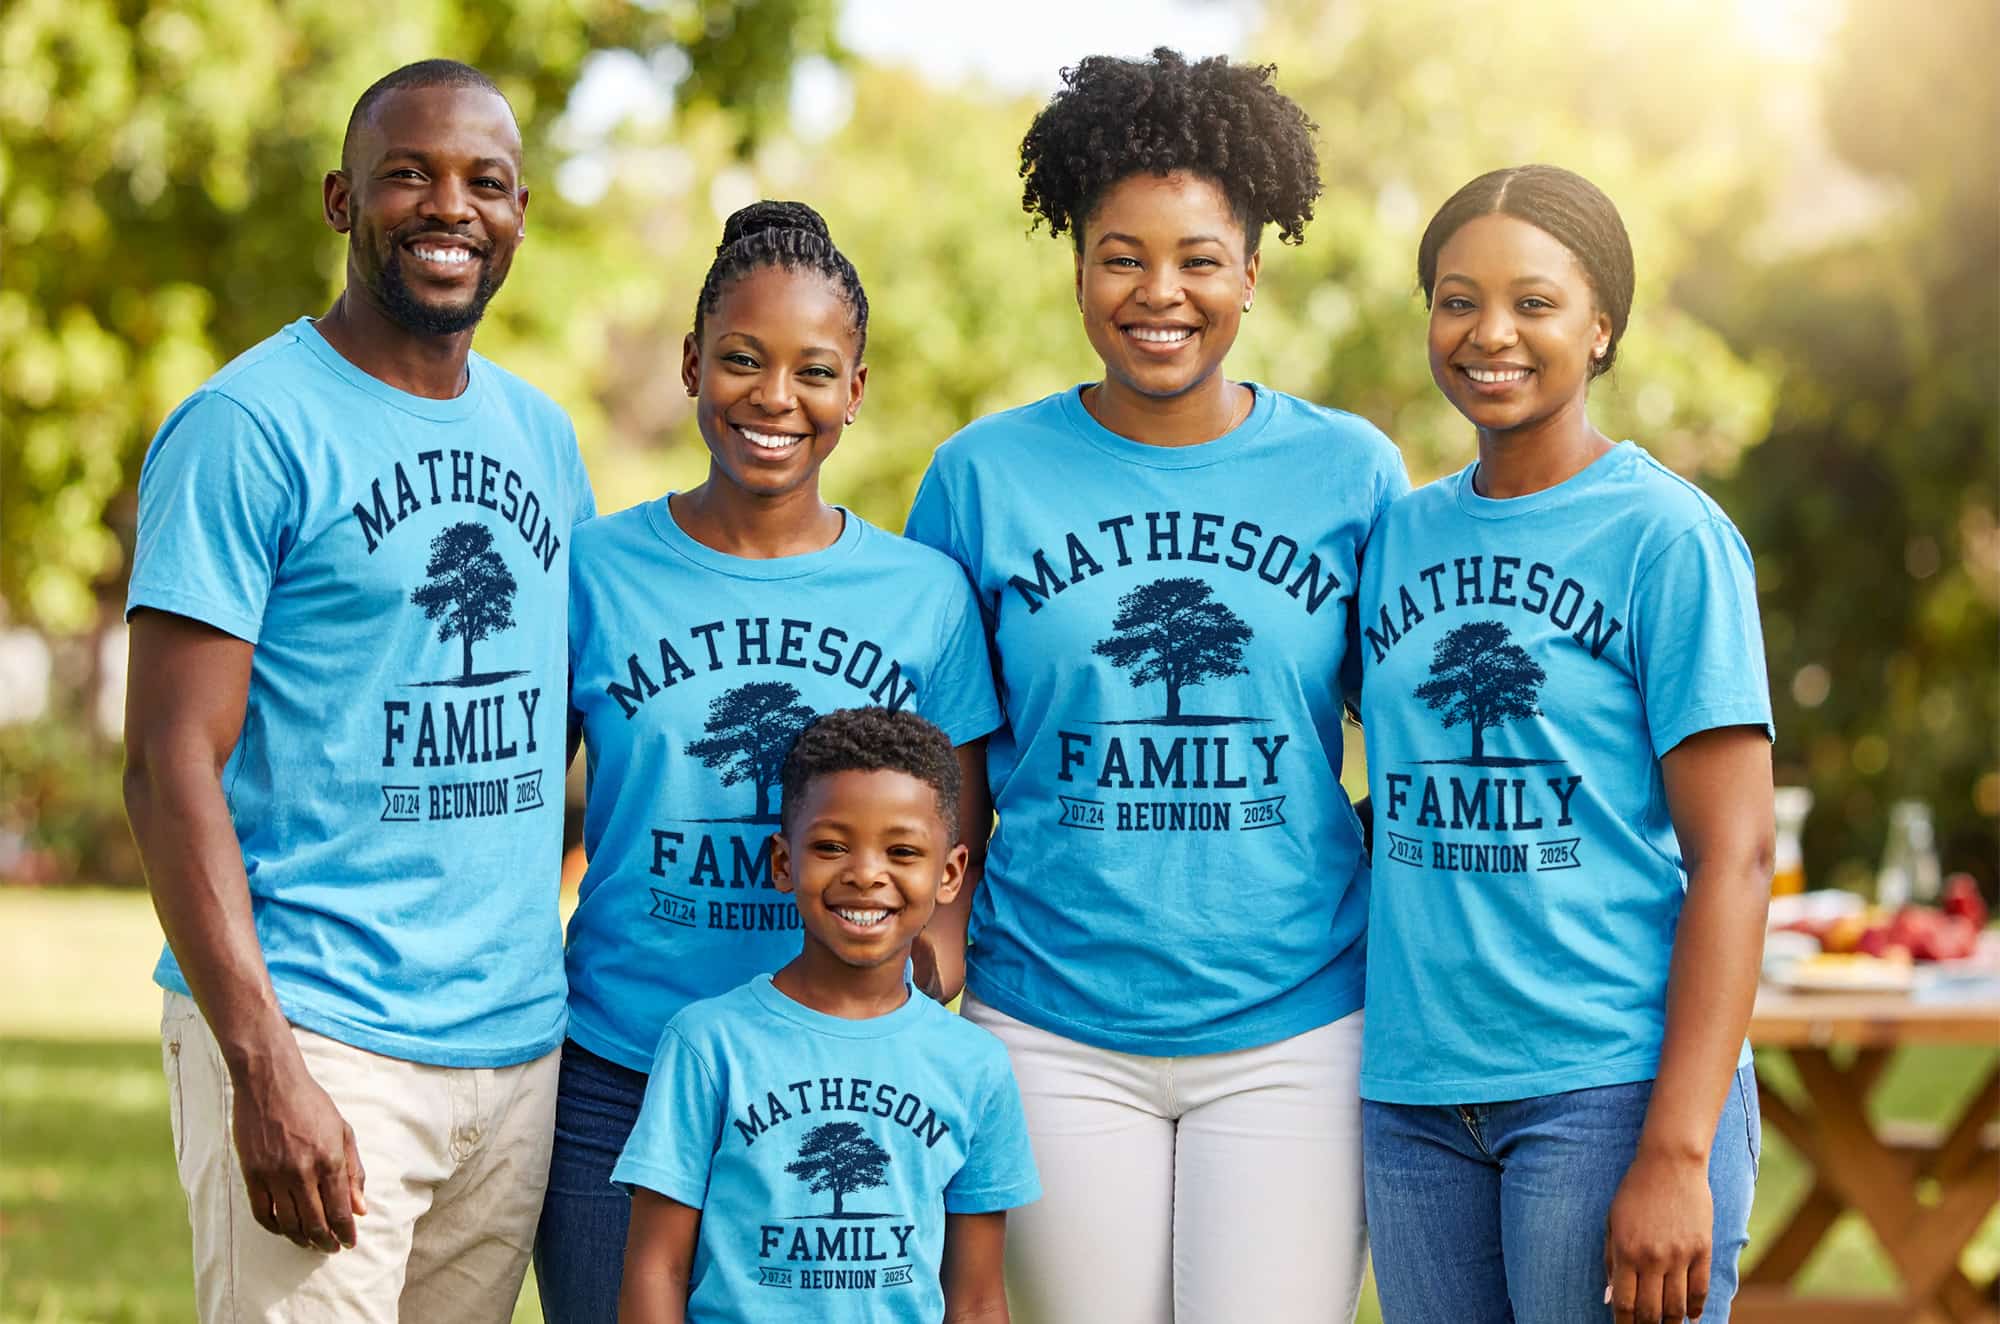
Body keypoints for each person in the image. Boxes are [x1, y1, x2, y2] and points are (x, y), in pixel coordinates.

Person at [903, 47, 1407, 1322]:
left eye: (1196, 258)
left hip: (1296, 1024)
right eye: (1120, 257)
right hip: (1050, 1023)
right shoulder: (979, 478)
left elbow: (1408, 739)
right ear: (1075, 268)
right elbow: (942, 748)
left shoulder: (1351, 473)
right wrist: (939, 924)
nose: (1158, 294)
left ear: (1251, 267)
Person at [121, 59, 594, 1323]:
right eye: (409, 175)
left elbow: (564, 721)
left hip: (510, 1048)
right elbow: (168, 763)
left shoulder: (543, 437)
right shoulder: (248, 428)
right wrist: (263, 1063)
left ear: (519, 213)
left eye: (482, 183)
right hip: (320, 1032)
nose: (449, 207)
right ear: (342, 200)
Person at [536, 201, 1002, 1321]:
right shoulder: (593, 570)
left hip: (841, 1082)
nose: (774, 398)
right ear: (693, 362)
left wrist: (897, 1012)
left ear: (855, 388)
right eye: (742, 360)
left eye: (813, 369)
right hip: (621, 1066)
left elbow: (960, 843)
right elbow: (517, 806)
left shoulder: (920, 595)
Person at [1357, 164, 1773, 1324]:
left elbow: (1734, 857)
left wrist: (1677, 1152)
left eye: (1533, 302)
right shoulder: (1394, 537)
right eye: (1455, 297)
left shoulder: (1667, 538)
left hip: (1606, 1086)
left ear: (1600, 327)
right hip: (1414, 1096)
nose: (1489, 332)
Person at [614, 707, 1040, 1323]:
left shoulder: (973, 1063)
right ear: (784, 864)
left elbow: (975, 1300)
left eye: (901, 850)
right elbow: (658, 1267)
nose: (866, 874)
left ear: (949, 874)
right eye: (832, 846)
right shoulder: (708, 1044)